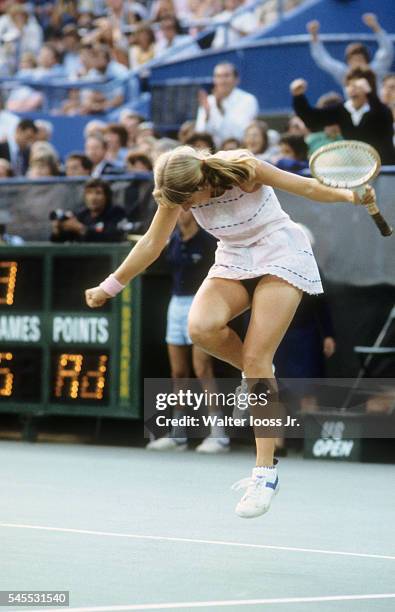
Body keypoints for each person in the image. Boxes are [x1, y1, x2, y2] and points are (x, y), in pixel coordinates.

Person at [85, 146, 376, 519]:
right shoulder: (178, 190)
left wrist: (349, 195)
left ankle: (264, 474)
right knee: (201, 328)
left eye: (188, 201)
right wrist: (110, 286)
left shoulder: (246, 169)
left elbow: (306, 188)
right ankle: (260, 382)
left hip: (280, 251)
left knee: (257, 359)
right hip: (234, 257)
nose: (185, 209)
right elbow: (151, 243)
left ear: (204, 182)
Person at [146, 210, 231, 453]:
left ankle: (219, 435)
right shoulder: (172, 240)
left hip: (201, 302)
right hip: (176, 303)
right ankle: (178, 435)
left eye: (185, 208)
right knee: (178, 372)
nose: (181, 213)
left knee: (202, 369)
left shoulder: (207, 241)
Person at [291, 68, 395, 165]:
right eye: (349, 85)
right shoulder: (341, 110)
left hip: (384, 168)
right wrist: (299, 97)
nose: (353, 89)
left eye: (358, 85)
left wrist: (370, 94)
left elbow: (383, 117)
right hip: (356, 170)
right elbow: (313, 119)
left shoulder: (381, 110)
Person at [306, 13, 394, 88]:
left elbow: (387, 50)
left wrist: (375, 26)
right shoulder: (344, 73)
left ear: (366, 61)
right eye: (353, 60)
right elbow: (323, 59)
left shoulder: (376, 71)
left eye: (360, 59)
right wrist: (314, 35)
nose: (357, 64)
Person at [195, 62, 259, 147]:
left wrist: (220, 107)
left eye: (226, 76)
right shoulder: (208, 101)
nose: (222, 81)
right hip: (214, 153)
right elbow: (200, 135)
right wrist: (207, 115)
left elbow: (240, 133)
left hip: (239, 151)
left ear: (236, 79)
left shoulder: (248, 100)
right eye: (218, 76)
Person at [51, 177, 126, 242]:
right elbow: (60, 242)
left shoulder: (116, 213)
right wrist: (57, 231)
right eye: (89, 193)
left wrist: (81, 229)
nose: (93, 198)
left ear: (107, 196)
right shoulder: (81, 215)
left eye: (98, 193)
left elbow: (113, 237)